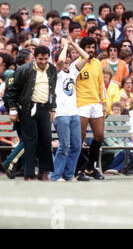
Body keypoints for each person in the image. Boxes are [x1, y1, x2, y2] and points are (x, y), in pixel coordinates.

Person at [5, 45, 57, 181]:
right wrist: (12, 110)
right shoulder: (24, 70)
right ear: (34, 57)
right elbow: (11, 91)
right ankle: (28, 174)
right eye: (40, 59)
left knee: (46, 140)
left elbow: (52, 90)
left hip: (44, 108)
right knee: (30, 141)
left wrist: (53, 109)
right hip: (28, 109)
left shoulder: (51, 69)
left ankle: (44, 172)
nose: (43, 62)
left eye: (46, 59)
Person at [51, 34, 90, 182]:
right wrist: (65, 46)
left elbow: (86, 57)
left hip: (74, 113)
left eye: (69, 57)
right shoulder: (55, 72)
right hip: (61, 114)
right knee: (64, 146)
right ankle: (55, 176)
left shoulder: (73, 70)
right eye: (65, 56)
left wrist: (73, 44)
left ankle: (68, 175)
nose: (67, 59)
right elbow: (60, 60)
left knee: (76, 147)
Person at [75, 37, 108, 181]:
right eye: (87, 47)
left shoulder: (97, 63)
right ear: (82, 48)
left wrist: (105, 103)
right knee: (79, 137)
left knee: (99, 136)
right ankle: (76, 170)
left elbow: (101, 84)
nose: (91, 50)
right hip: (80, 104)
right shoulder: (76, 64)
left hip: (96, 103)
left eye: (93, 47)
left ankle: (89, 167)